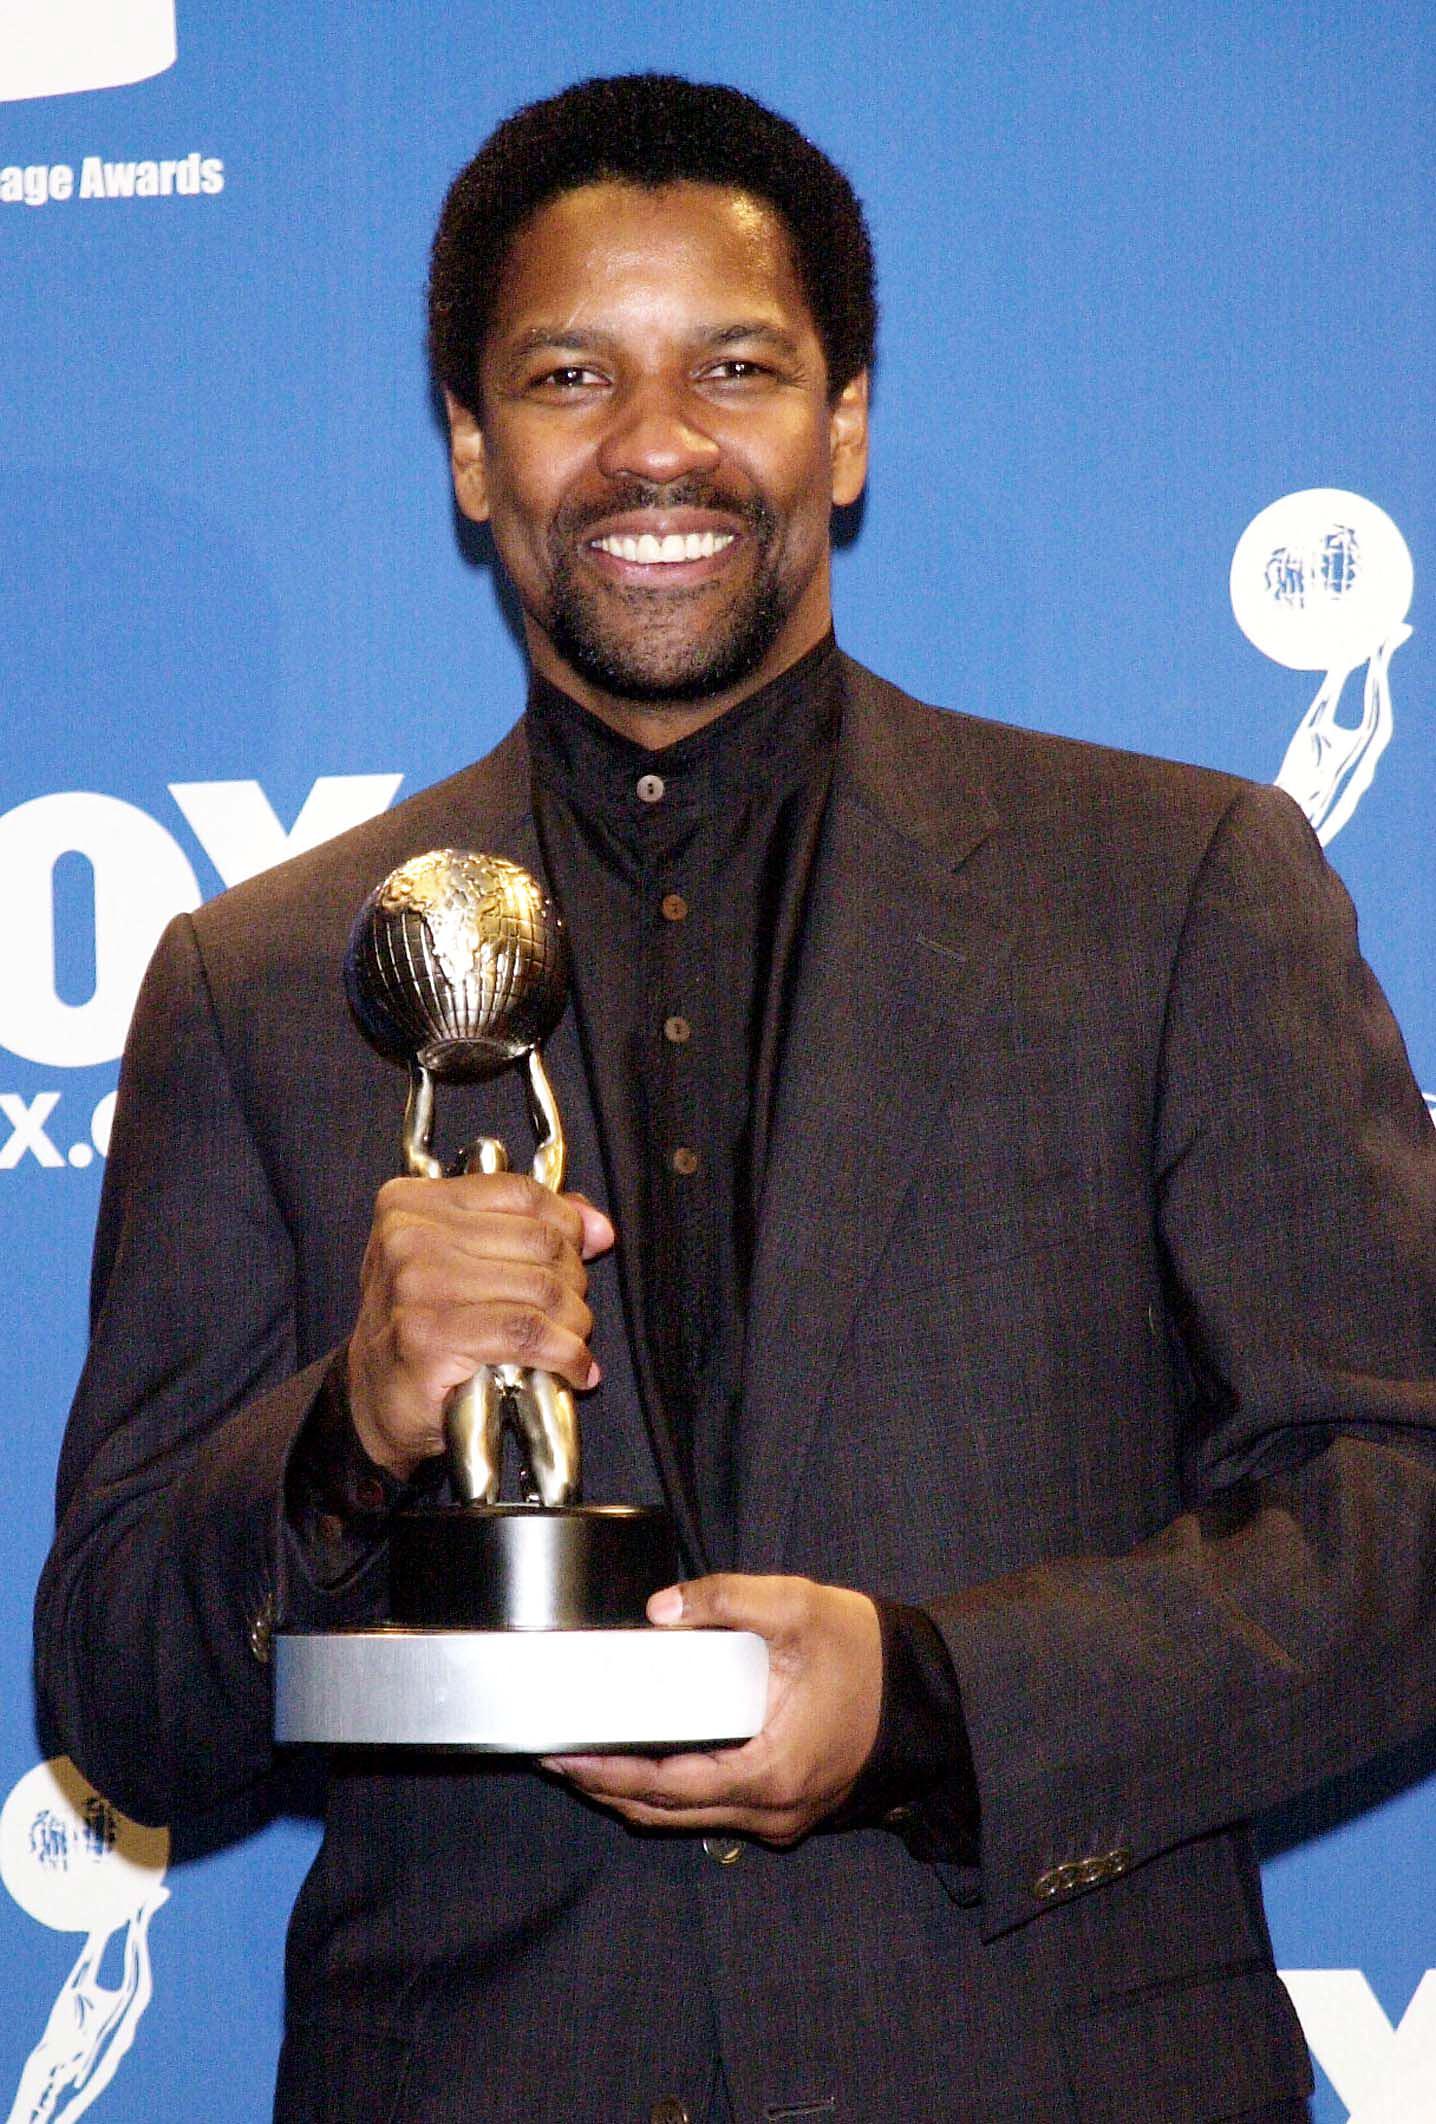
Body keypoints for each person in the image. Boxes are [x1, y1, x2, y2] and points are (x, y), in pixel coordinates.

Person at [35, 73, 1436, 2124]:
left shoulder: (1172, 890)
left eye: (738, 367)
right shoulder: (260, 980)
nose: (656, 443)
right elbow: (123, 1706)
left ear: (842, 425)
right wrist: (345, 1428)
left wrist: (932, 1705)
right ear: (468, 451)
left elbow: (1401, 1520)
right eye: (568, 373)